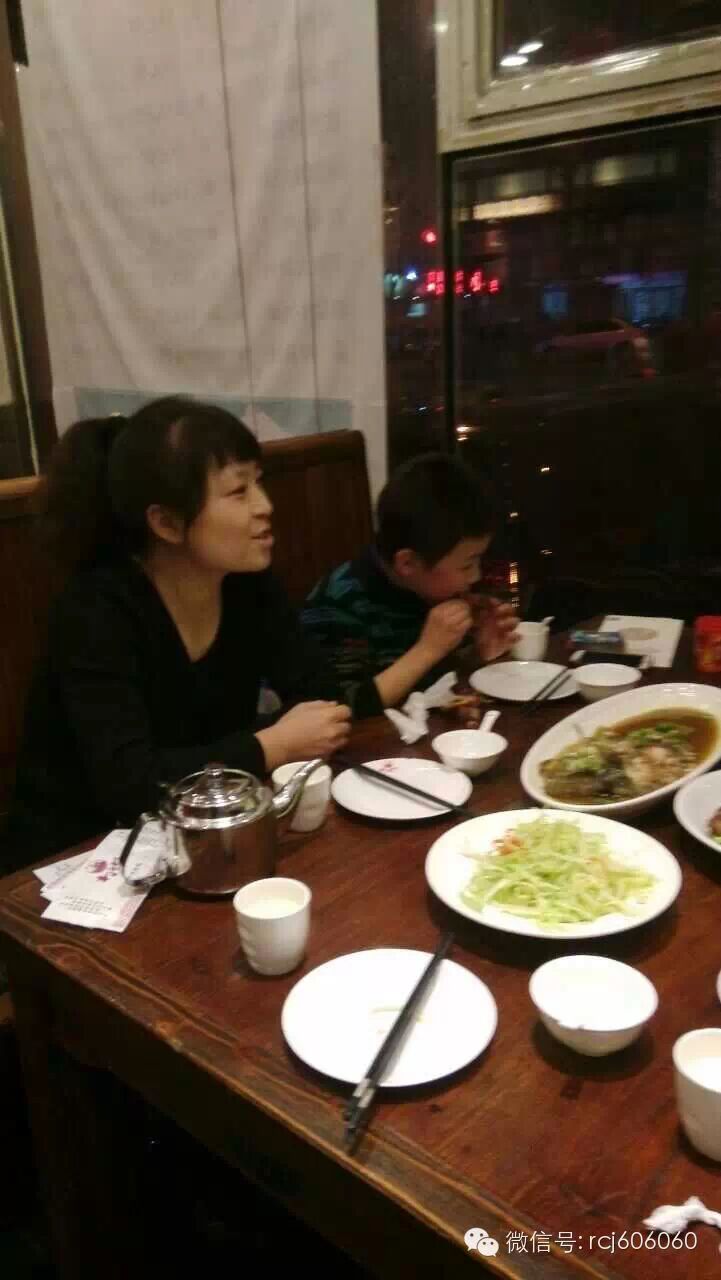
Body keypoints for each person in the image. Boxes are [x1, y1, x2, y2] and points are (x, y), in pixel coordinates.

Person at [2, 397, 350, 868]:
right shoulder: (97, 610)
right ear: (166, 522)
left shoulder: (246, 582)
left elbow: (322, 697)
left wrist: (266, 744)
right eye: (238, 491)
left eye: (259, 482)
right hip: (75, 857)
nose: (265, 506)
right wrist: (274, 743)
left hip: (206, 833)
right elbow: (129, 784)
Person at [301, 452, 517, 717]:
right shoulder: (338, 604)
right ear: (407, 563)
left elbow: (440, 687)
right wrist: (427, 649)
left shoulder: (438, 589)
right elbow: (340, 709)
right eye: (466, 566)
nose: (475, 576)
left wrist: (481, 652)